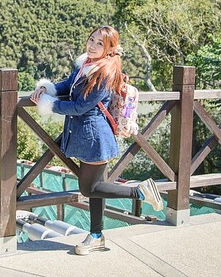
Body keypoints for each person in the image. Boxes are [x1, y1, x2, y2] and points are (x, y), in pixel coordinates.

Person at [30, 25, 163, 256]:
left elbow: (81, 106)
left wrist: (49, 105)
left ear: (109, 48)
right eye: (91, 39)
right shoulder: (86, 64)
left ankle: (140, 191)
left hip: (94, 136)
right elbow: (67, 85)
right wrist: (45, 89)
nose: (92, 45)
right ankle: (96, 236)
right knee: (96, 189)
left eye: (99, 43)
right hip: (84, 136)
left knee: (88, 188)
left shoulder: (106, 73)